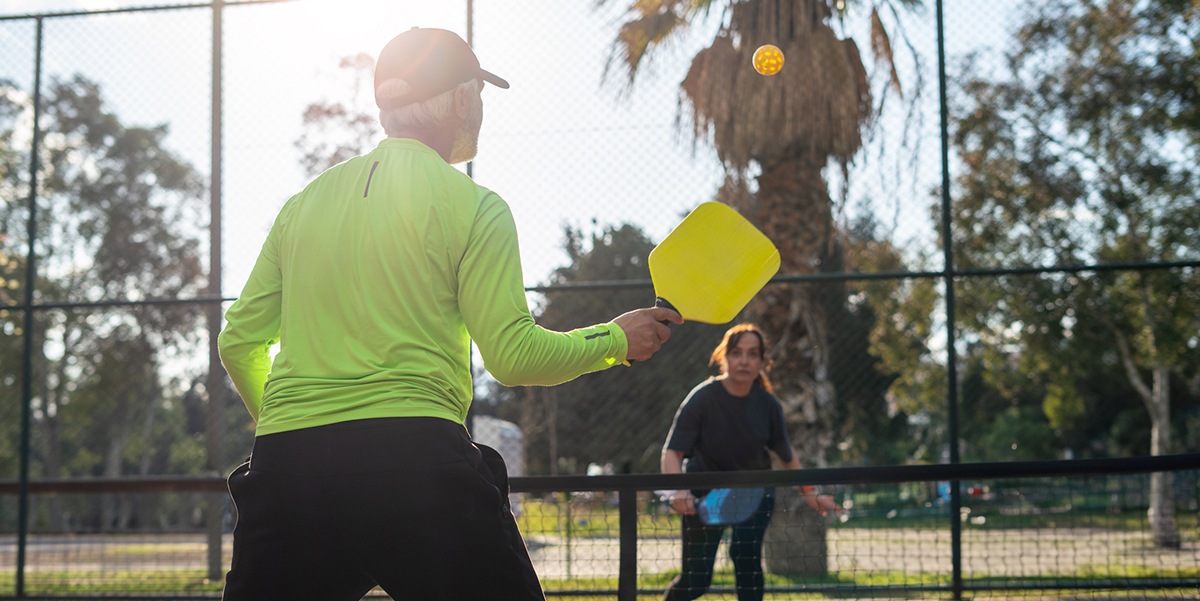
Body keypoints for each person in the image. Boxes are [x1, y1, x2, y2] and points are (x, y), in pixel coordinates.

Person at [216, 27, 681, 601]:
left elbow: (238, 342)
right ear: (461, 100)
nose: (481, 109)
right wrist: (614, 339)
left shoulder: (300, 206)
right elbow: (513, 356)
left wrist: (290, 421)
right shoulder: (476, 206)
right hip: (412, 466)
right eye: (479, 94)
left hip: (288, 470)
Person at [661, 323, 838, 601]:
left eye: (753, 354)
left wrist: (811, 494)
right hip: (703, 497)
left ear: (763, 361)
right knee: (696, 581)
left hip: (754, 495)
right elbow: (672, 453)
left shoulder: (769, 405)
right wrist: (678, 493)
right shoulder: (702, 398)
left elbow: (786, 455)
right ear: (724, 357)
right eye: (737, 353)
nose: (744, 360)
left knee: (745, 557)